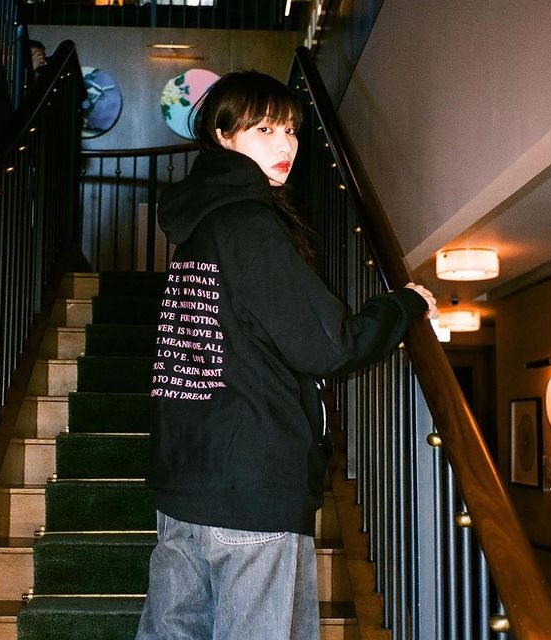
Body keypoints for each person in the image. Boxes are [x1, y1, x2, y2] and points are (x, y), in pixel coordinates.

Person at [134, 70, 436, 640]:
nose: (286, 144)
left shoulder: (200, 228)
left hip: (186, 481)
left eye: (291, 129)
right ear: (223, 135)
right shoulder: (249, 225)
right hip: (253, 482)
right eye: (265, 128)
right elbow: (330, 344)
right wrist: (403, 306)